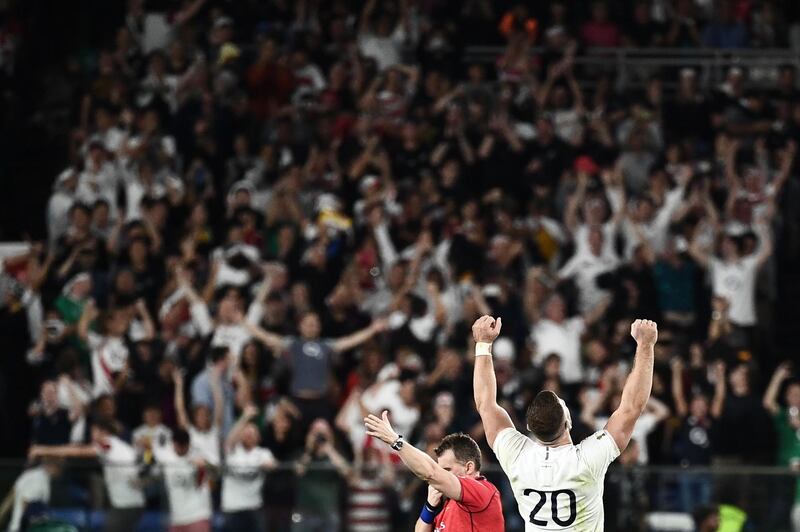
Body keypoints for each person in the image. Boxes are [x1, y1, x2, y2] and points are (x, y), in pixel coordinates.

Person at [471, 315, 658, 530]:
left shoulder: (517, 457)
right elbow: (632, 408)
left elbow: (485, 404)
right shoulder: (585, 460)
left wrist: (483, 344)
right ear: (568, 420)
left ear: (530, 428)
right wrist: (645, 345)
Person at [364, 413, 504, 532]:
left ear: (468, 468)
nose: (441, 475)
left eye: (447, 470)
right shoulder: (450, 503)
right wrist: (430, 507)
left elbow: (431, 473)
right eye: (440, 469)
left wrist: (395, 441)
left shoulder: (483, 492)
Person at [29, 421, 146, 532]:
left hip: (126, 506)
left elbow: (79, 452)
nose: (92, 435)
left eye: (94, 432)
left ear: (103, 432)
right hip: (134, 504)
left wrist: (42, 450)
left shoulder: (107, 443)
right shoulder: (119, 444)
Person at [220, 404, 277, 532]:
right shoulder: (233, 450)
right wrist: (245, 417)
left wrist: (268, 465)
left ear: (258, 437)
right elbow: (229, 440)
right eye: (246, 433)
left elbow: (272, 465)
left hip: (253, 508)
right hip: (232, 509)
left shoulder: (263, 453)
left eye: (252, 433)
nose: (249, 435)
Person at [153, 428, 213, 532]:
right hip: (176, 519)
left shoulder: (198, 456)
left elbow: (214, 473)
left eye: (183, 446)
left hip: (198, 516)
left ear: (188, 444)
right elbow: (153, 470)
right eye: (177, 446)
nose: (180, 449)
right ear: (173, 444)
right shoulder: (165, 457)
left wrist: (203, 466)